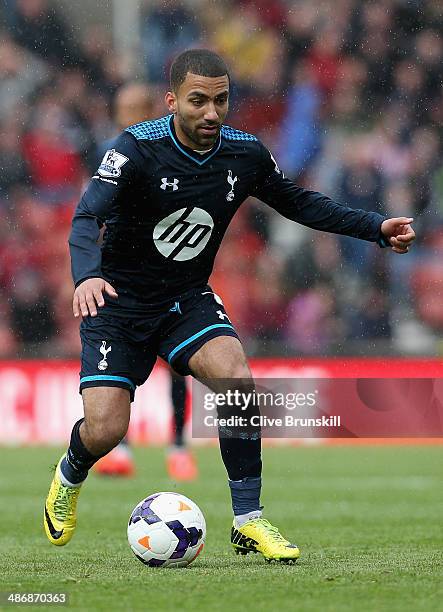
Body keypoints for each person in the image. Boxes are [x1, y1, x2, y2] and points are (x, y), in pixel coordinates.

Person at [44, 49, 415, 563]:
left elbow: (301, 203)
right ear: (173, 101)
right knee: (107, 429)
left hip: (185, 299)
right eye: (198, 101)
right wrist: (86, 277)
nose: (212, 113)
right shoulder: (134, 148)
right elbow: (86, 217)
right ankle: (69, 473)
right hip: (117, 304)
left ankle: (248, 520)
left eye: (221, 100)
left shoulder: (245, 154)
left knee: (237, 381)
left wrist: (373, 227)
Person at [91, 81, 197, 480]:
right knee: (123, 363)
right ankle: (122, 447)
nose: (126, 116)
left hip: (169, 270)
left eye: (134, 108)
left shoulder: (169, 150)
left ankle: (178, 446)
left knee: (177, 364)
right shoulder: (111, 153)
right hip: (123, 274)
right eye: (122, 108)